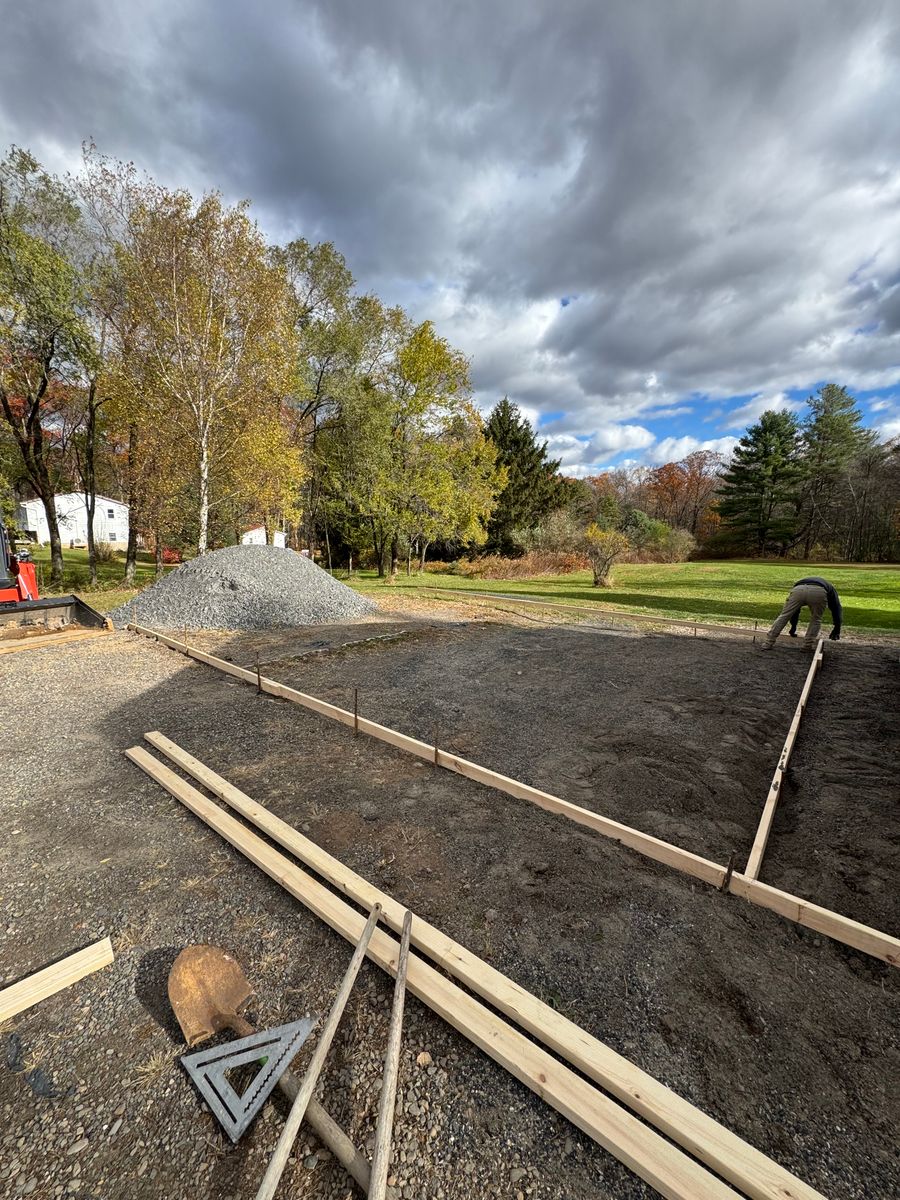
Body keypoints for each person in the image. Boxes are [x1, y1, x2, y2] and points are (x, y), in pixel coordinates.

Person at [763, 576, 842, 649]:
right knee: (816, 619)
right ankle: (807, 646)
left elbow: (794, 612)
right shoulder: (831, 589)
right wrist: (837, 628)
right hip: (819, 591)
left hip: (798, 589)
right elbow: (836, 608)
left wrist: (793, 627)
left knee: (784, 616)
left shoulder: (802, 583)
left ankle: (768, 643)